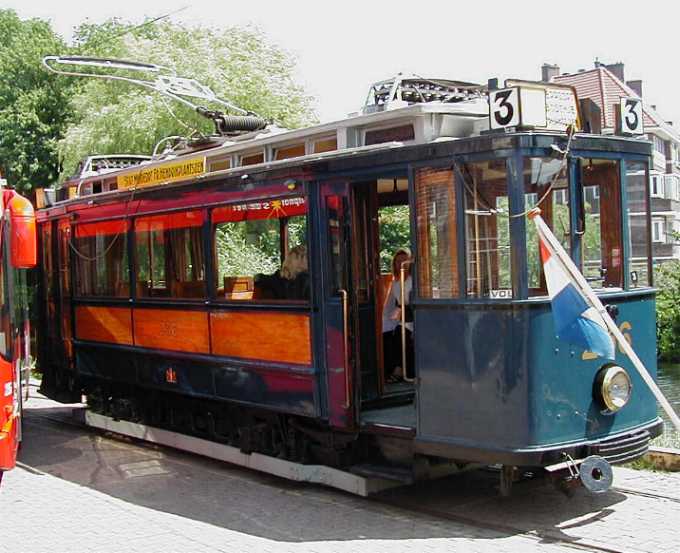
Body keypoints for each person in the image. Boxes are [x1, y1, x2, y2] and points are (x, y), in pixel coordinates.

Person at [382, 248, 414, 383]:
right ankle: (392, 369)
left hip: (413, 317)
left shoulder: (413, 281)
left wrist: (401, 310)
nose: (401, 264)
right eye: (398, 261)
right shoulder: (395, 283)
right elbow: (395, 304)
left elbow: (412, 303)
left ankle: (400, 370)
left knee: (402, 335)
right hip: (403, 317)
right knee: (388, 335)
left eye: (404, 261)